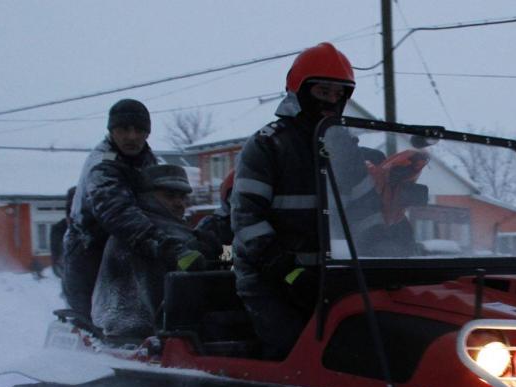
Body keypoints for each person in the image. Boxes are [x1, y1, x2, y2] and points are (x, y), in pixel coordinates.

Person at [231, 42, 382, 359]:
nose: (331, 100)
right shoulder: (267, 145)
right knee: (297, 350)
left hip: (332, 276)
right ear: (299, 91)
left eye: (338, 93)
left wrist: (392, 251)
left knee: (373, 341)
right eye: (322, 91)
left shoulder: (346, 151)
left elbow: (367, 214)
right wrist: (287, 272)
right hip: (270, 278)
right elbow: (247, 219)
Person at [62, 99, 204, 319]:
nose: (132, 136)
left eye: (139, 130)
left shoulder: (146, 160)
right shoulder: (102, 167)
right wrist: (170, 249)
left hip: (132, 255)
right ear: (111, 131)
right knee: (108, 323)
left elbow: (155, 210)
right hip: (92, 257)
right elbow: (120, 215)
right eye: (124, 129)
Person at [90, 164, 218, 340]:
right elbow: (210, 264)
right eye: (169, 196)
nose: (179, 203)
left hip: (132, 329)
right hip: (140, 333)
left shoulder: (162, 230)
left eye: (182, 197)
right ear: (146, 197)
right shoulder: (147, 234)